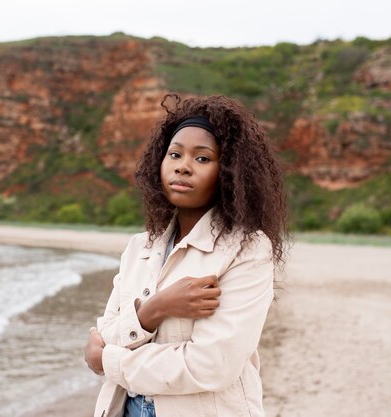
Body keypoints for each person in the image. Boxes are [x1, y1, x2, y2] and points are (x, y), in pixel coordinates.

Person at [84, 93, 288, 417]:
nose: (183, 166)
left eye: (202, 158)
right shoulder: (140, 247)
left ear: (229, 172)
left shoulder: (246, 249)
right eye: (175, 154)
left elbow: (210, 366)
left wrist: (108, 360)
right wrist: (154, 309)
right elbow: (106, 330)